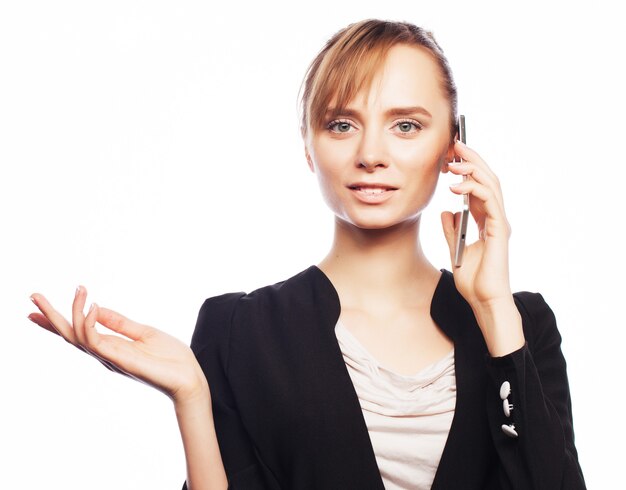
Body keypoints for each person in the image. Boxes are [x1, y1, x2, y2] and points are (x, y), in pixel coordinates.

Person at [27, 18, 586, 490]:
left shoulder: (522, 327)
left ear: (453, 146)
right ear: (308, 145)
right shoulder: (238, 331)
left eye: (406, 126)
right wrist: (192, 397)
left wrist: (493, 311)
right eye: (342, 125)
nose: (371, 154)